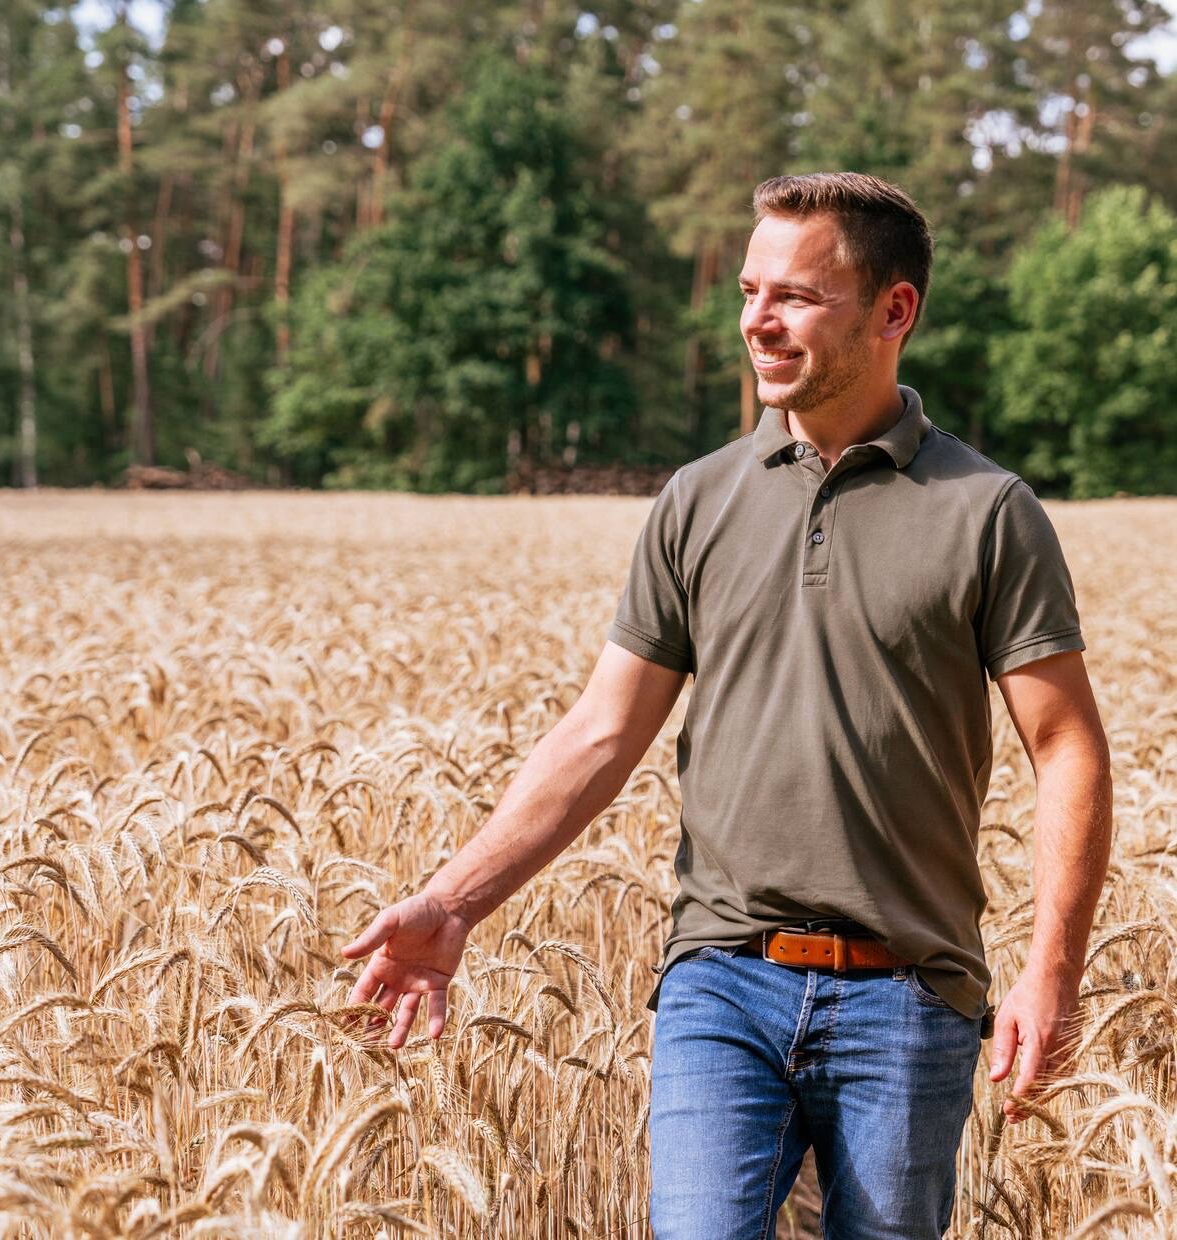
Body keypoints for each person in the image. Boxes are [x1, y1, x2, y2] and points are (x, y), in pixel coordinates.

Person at [340, 171, 1114, 1238]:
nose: (756, 318)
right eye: (749, 291)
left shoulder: (986, 513)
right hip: (721, 981)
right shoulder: (696, 501)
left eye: (794, 294)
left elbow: (1066, 744)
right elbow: (602, 731)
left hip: (910, 992)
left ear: (894, 311)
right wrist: (454, 900)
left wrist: (1049, 972)